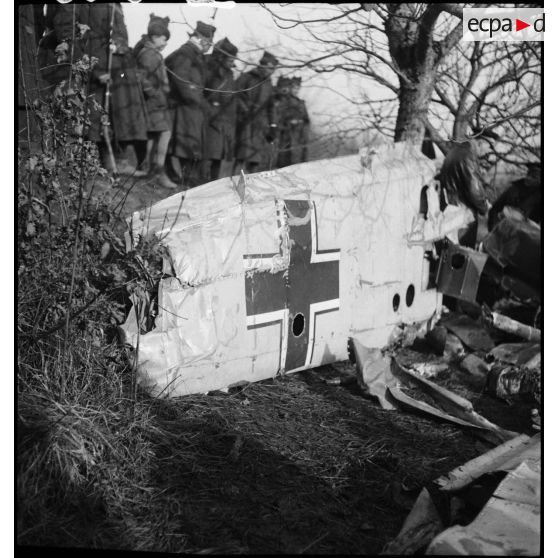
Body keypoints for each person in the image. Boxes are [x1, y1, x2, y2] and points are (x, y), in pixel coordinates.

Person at [38, 3, 149, 177]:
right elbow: (67, 33)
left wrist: (118, 44)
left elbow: (120, 31)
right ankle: (84, 164)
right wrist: (92, 68)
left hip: (114, 66)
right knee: (89, 117)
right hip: (86, 65)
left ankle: (116, 161)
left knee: (115, 115)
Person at [165, 21, 216, 188]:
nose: (209, 47)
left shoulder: (194, 55)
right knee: (183, 142)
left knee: (191, 141)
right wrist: (194, 97)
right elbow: (180, 79)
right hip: (184, 106)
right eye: (209, 43)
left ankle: (185, 176)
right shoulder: (186, 53)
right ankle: (177, 174)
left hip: (192, 105)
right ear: (201, 39)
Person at [133, 14, 177, 189]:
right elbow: (141, 77)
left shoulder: (151, 53)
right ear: (155, 37)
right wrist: (155, 93)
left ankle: (148, 169)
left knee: (154, 134)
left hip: (156, 102)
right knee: (164, 133)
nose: (165, 42)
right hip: (154, 103)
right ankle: (158, 171)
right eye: (164, 38)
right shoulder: (149, 55)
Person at [234, 51, 279, 174]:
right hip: (245, 122)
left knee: (255, 158)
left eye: (273, 69)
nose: (271, 72)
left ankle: (250, 186)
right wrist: (244, 110)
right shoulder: (247, 77)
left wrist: (273, 125)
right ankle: (233, 183)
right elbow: (235, 95)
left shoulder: (268, 83)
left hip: (260, 125)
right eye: (270, 68)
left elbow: (271, 106)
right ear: (263, 65)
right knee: (241, 155)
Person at [438, 140, 490, 247]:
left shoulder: (457, 151)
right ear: (481, 142)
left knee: (446, 250)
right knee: (459, 254)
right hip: (461, 212)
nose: (488, 151)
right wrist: (484, 206)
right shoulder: (468, 157)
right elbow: (474, 189)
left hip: (449, 206)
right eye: (489, 147)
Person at [202, 37, 239, 182]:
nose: (232, 63)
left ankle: (211, 184)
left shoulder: (229, 74)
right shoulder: (210, 70)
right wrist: (211, 110)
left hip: (225, 121)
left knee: (218, 157)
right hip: (211, 119)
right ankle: (198, 183)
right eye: (229, 59)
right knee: (207, 153)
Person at [277, 75, 310, 168]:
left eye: (298, 88)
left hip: (299, 137)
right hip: (285, 136)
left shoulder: (301, 103)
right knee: (284, 164)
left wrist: (302, 128)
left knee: (298, 165)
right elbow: (278, 118)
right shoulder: (282, 101)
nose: (296, 90)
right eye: (294, 88)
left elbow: (306, 120)